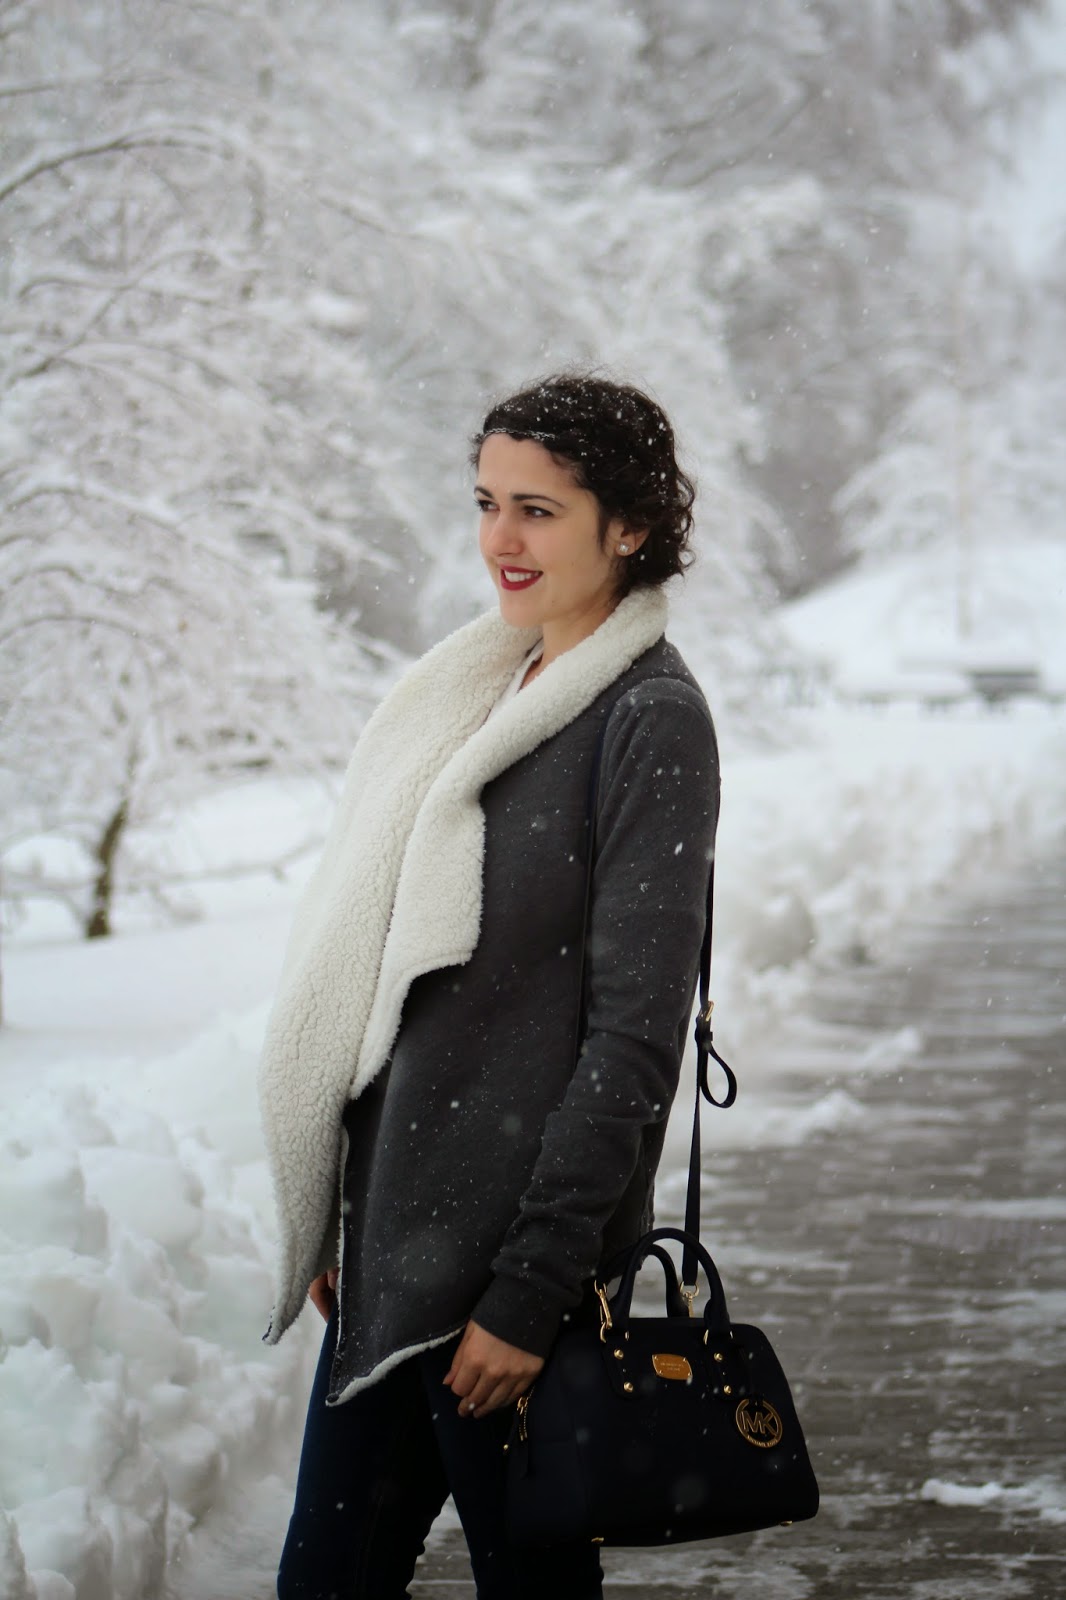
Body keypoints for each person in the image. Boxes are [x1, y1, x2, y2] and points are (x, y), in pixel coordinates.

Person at [259, 373, 721, 1599]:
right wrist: (346, 1207)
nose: (499, 540)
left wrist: (529, 1293)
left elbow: (632, 1041)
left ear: (629, 525)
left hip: (515, 1286)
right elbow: (400, 995)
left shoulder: (648, 719)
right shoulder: (474, 694)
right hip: (394, 1256)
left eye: (538, 510)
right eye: (485, 503)